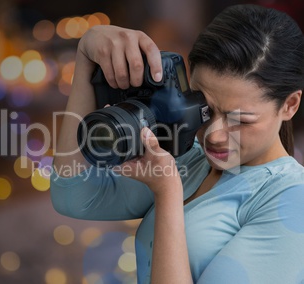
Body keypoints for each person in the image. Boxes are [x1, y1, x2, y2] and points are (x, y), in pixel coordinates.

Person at [50, 4, 304, 283]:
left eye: (241, 121)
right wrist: (86, 57)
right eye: (203, 110)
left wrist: (168, 191)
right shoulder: (190, 160)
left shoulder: (292, 200)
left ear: (290, 105)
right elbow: (74, 196)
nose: (214, 136)